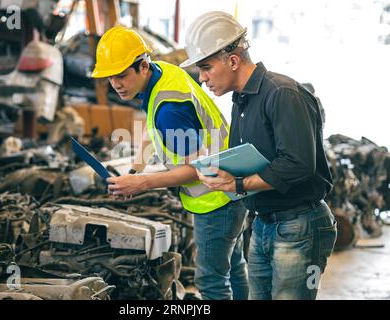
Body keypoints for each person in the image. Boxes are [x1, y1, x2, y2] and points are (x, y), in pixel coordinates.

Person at [181, 11, 337, 300]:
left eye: (206, 68)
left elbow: (298, 165)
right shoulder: (242, 100)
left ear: (232, 60)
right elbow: (253, 156)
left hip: (299, 225)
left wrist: (237, 184)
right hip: (264, 223)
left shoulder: (282, 93)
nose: (201, 79)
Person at [91, 25, 248, 300]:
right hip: (232, 184)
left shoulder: (170, 111)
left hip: (215, 200)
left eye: (121, 75)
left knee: (211, 281)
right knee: (234, 268)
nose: (115, 84)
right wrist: (134, 170)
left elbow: (198, 170)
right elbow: (151, 126)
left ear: (142, 66)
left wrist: (140, 184)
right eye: (110, 78)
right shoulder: (163, 74)